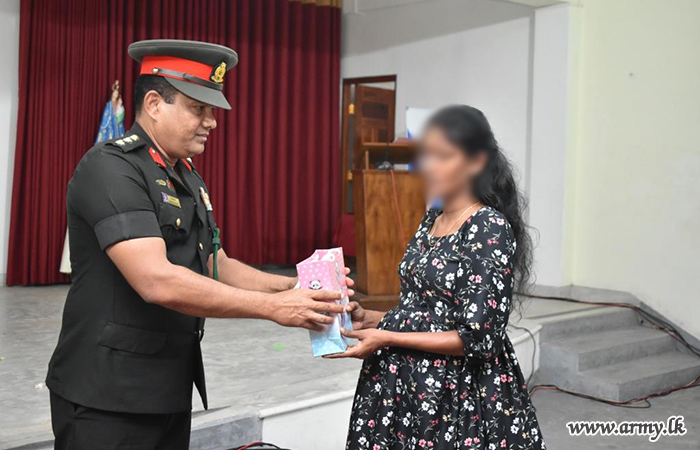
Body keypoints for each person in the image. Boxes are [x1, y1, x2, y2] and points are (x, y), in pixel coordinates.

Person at [46, 39, 351, 450]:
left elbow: (214, 263)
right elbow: (156, 280)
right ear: (154, 104)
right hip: (107, 394)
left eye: (212, 111)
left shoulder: (186, 175)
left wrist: (295, 287)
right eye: (198, 109)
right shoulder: (111, 168)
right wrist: (273, 308)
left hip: (166, 387)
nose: (212, 122)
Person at [332, 105, 545, 449]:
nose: (429, 166)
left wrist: (387, 337)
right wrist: (369, 318)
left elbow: (477, 339)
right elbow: (425, 312)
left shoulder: (487, 227)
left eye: (443, 156)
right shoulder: (432, 218)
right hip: (405, 383)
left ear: (476, 161)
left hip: (456, 393)